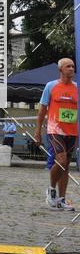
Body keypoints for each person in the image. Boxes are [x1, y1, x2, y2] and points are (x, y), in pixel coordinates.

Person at [35, 57, 77, 211]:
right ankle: (51, 190)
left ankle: (62, 199)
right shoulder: (51, 86)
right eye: (68, 66)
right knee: (61, 160)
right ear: (60, 70)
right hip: (55, 129)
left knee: (66, 166)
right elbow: (42, 111)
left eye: (73, 66)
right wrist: (38, 131)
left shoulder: (77, 88)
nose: (71, 69)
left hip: (72, 132)